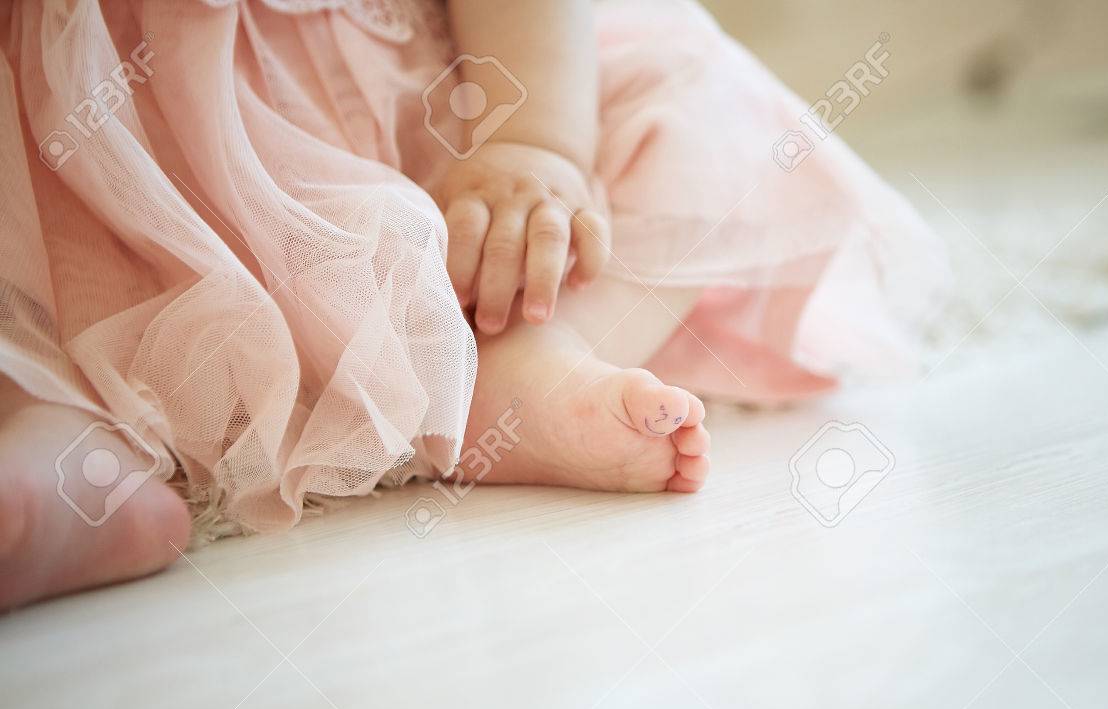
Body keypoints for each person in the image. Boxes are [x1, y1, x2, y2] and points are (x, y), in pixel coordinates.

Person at [0, 0, 946, 607]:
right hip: (113, 143)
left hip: (456, 109)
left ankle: (525, 349)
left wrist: (536, 143)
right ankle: (57, 455)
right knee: (56, 293)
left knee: (704, 111)